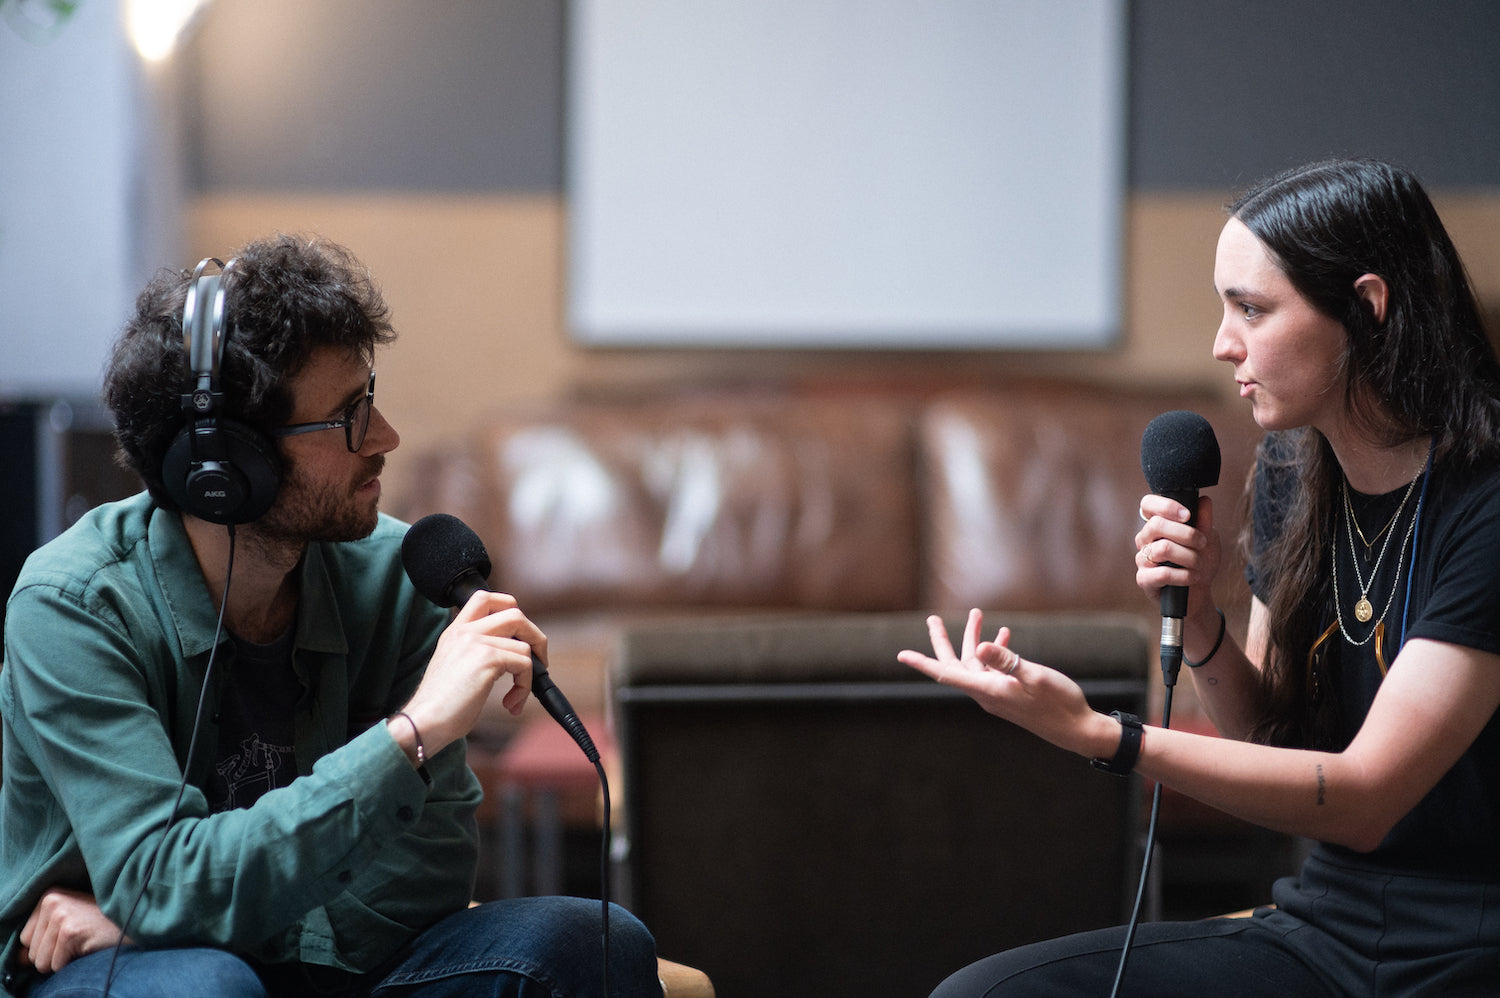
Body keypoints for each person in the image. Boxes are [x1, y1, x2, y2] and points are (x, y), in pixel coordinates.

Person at [0, 235, 662, 997]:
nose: (385, 438)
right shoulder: (74, 607)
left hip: (306, 957)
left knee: (595, 944)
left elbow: (425, 887)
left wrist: (167, 913)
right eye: (349, 417)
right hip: (114, 971)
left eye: (370, 399)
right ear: (227, 467)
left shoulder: (404, 576)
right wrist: (407, 738)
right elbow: (156, 878)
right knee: (211, 985)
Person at [899, 158, 1500, 996]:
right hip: (1326, 927)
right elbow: (1272, 740)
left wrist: (1100, 734)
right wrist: (1206, 615)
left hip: (1464, 946)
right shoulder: (1298, 470)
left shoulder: (1485, 503)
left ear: (1367, 306)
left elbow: (1366, 800)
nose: (1222, 344)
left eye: (1252, 309)